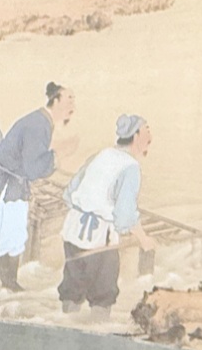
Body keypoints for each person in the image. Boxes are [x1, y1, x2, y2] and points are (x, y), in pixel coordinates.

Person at [0, 82, 76, 291]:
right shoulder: (39, 125)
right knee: (11, 236)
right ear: (56, 101)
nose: (72, 106)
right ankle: (8, 284)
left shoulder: (38, 120)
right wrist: (58, 155)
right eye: (69, 100)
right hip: (7, 185)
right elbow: (33, 168)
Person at [58, 115, 156, 319]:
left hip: (73, 232)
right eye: (147, 131)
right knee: (102, 294)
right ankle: (97, 331)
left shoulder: (100, 155)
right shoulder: (130, 167)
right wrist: (144, 239)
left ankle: (64, 325)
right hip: (100, 241)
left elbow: (70, 192)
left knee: (72, 288)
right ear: (135, 136)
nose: (150, 137)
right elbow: (124, 215)